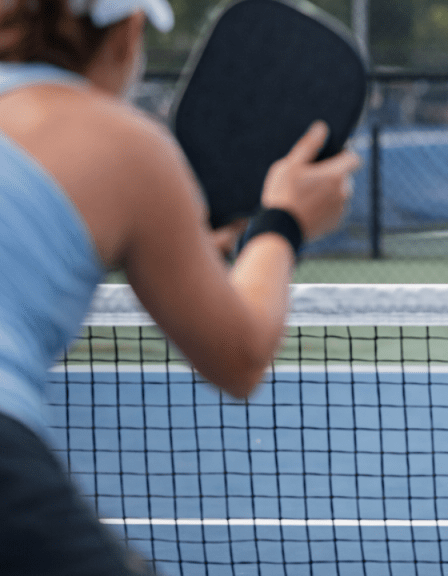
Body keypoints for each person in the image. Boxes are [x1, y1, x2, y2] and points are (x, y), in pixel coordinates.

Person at [0, 0, 360, 573]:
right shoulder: (122, 142)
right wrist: (284, 222)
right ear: (128, 31)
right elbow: (238, 356)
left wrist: (185, 247)